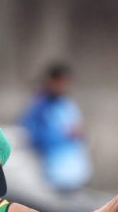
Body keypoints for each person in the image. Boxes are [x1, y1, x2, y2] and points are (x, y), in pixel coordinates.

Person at [20, 62, 92, 191]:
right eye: (61, 82)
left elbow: (78, 130)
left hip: (74, 172)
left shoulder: (65, 103)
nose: (64, 86)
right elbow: (34, 137)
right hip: (55, 172)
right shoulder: (40, 107)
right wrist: (63, 135)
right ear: (51, 81)